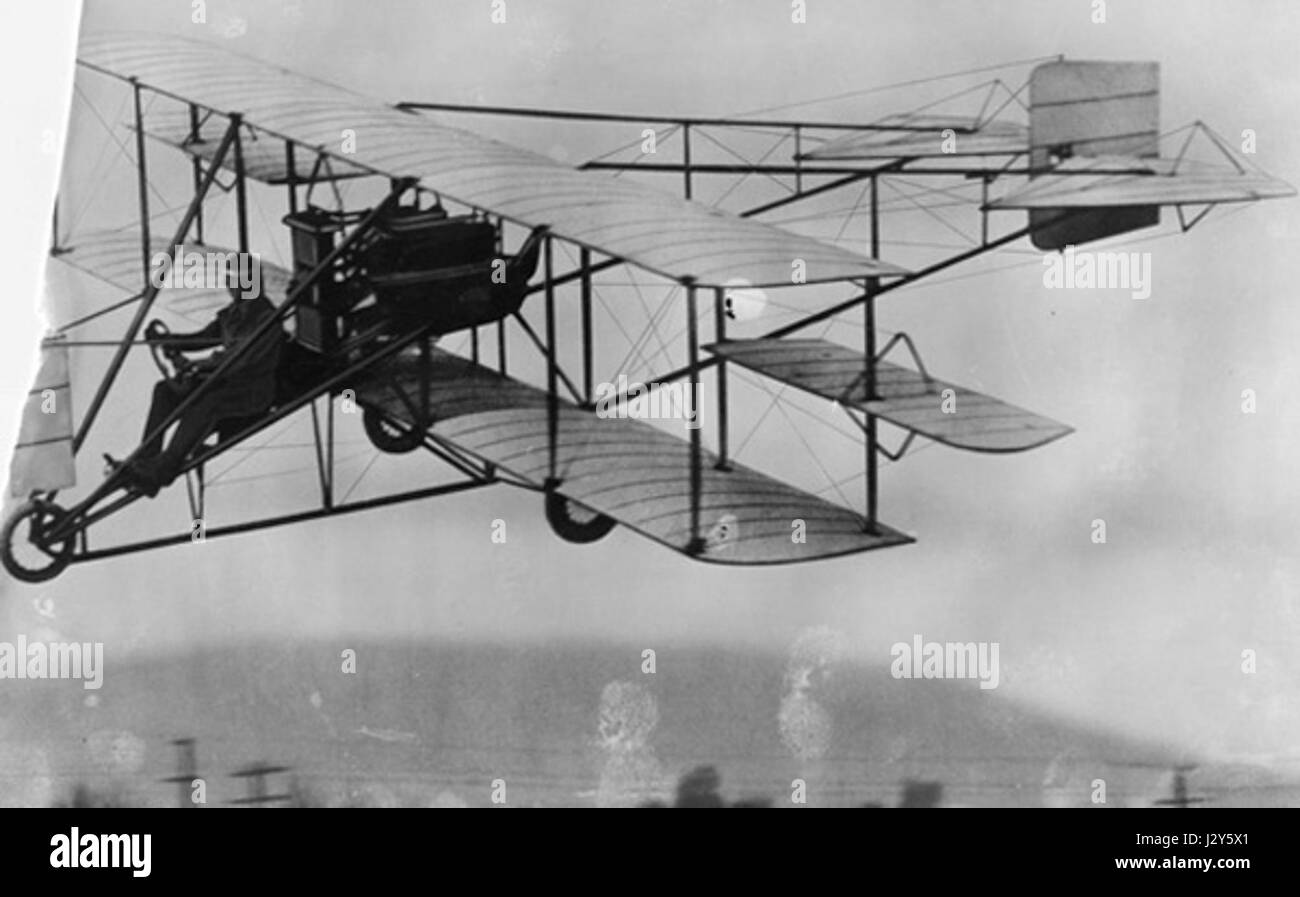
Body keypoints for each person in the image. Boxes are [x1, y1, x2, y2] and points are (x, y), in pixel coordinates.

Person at [109, 285, 284, 497]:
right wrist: (169, 340)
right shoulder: (232, 314)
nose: (232, 287)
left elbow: (240, 359)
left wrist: (200, 365)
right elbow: (204, 337)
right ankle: (146, 459)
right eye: (230, 281)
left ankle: (163, 469)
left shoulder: (267, 319)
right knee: (165, 391)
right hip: (225, 382)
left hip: (251, 391)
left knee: (207, 403)